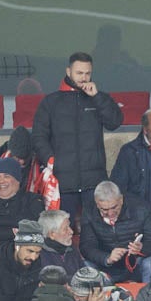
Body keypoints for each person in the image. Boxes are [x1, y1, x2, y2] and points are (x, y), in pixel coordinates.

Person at [31, 51, 124, 215]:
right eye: (79, 73)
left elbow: (114, 122)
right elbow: (39, 136)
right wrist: (51, 160)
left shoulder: (98, 98)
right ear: (68, 72)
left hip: (94, 181)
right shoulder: (51, 102)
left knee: (96, 231)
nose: (84, 77)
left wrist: (97, 97)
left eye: (87, 73)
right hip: (63, 181)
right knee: (63, 230)